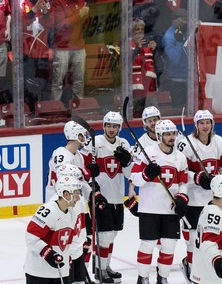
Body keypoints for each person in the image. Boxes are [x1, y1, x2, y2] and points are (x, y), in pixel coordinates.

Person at [128, 119, 189, 284]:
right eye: (167, 134)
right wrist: (146, 174)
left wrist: (182, 199)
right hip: (149, 209)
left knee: (169, 246)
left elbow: (184, 183)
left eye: (173, 134)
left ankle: (163, 278)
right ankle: (143, 278)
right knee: (147, 245)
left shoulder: (180, 157)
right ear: (160, 135)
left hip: (170, 210)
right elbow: (134, 177)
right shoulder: (147, 152)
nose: (171, 137)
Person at [177, 110, 222, 280]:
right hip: (192, 200)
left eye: (208, 122)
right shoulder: (186, 144)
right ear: (196, 125)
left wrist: (221, 183)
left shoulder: (219, 142)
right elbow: (181, 172)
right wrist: (197, 177)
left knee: (213, 239)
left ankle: (208, 271)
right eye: (202, 123)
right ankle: (192, 270)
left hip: (212, 201)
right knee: (193, 241)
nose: (205, 126)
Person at [89, 111, 133, 282]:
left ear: (119, 127)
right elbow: (88, 170)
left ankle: (105, 266)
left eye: (115, 126)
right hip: (101, 197)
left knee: (112, 234)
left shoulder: (123, 143)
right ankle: (100, 270)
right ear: (104, 126)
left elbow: (130, 174)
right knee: (104, 236)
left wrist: (127, 161)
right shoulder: (96, 143)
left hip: (116, 197)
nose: (111, 129)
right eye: (109, 125)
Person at [24, 175, 81, 284]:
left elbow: (67, 243)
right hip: (39, 273)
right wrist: (49, 254)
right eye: (76, 193)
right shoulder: (48, 211)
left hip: (61, 272)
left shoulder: (72, 213)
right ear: (66, 194)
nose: (78, 197)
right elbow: (31, 237)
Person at [50, 0, 89, 102]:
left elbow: (85, 23)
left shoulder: (81, 0)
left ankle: (79, 107)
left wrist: (82, 17)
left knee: (79, 80)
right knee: (58, 81)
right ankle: (54, 107)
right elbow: (60, 25)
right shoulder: (56, 1)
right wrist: (79, 15)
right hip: (62, 47)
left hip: (78, 45)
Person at [20, 0, 54, 111]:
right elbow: (21, 23)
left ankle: (44, 111)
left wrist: (45, 12)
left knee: (44, 84)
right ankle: (29, 111)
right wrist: (35, 9)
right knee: (28, 85)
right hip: (27, 50)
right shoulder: (21, 0)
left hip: (42, 49)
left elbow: (51, 24)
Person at [45, 121, 95, 201]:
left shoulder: (79, 156)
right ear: (78, 136)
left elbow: (81, 181)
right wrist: (85, 172)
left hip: (71, 198)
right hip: (56, 199)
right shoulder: (60, 153)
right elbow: (64, 178)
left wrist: (92, 194)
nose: (86, 138)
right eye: (83, 135)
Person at [158, 9, 189, 110]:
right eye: (183, 19)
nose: (186, 22)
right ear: (175, 20)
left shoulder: (185, 31)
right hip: (176, 80)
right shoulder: (169, 37)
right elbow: (175, 59)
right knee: (179, 109)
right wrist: (179, 42)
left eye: (187, 19)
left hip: (188, 78)